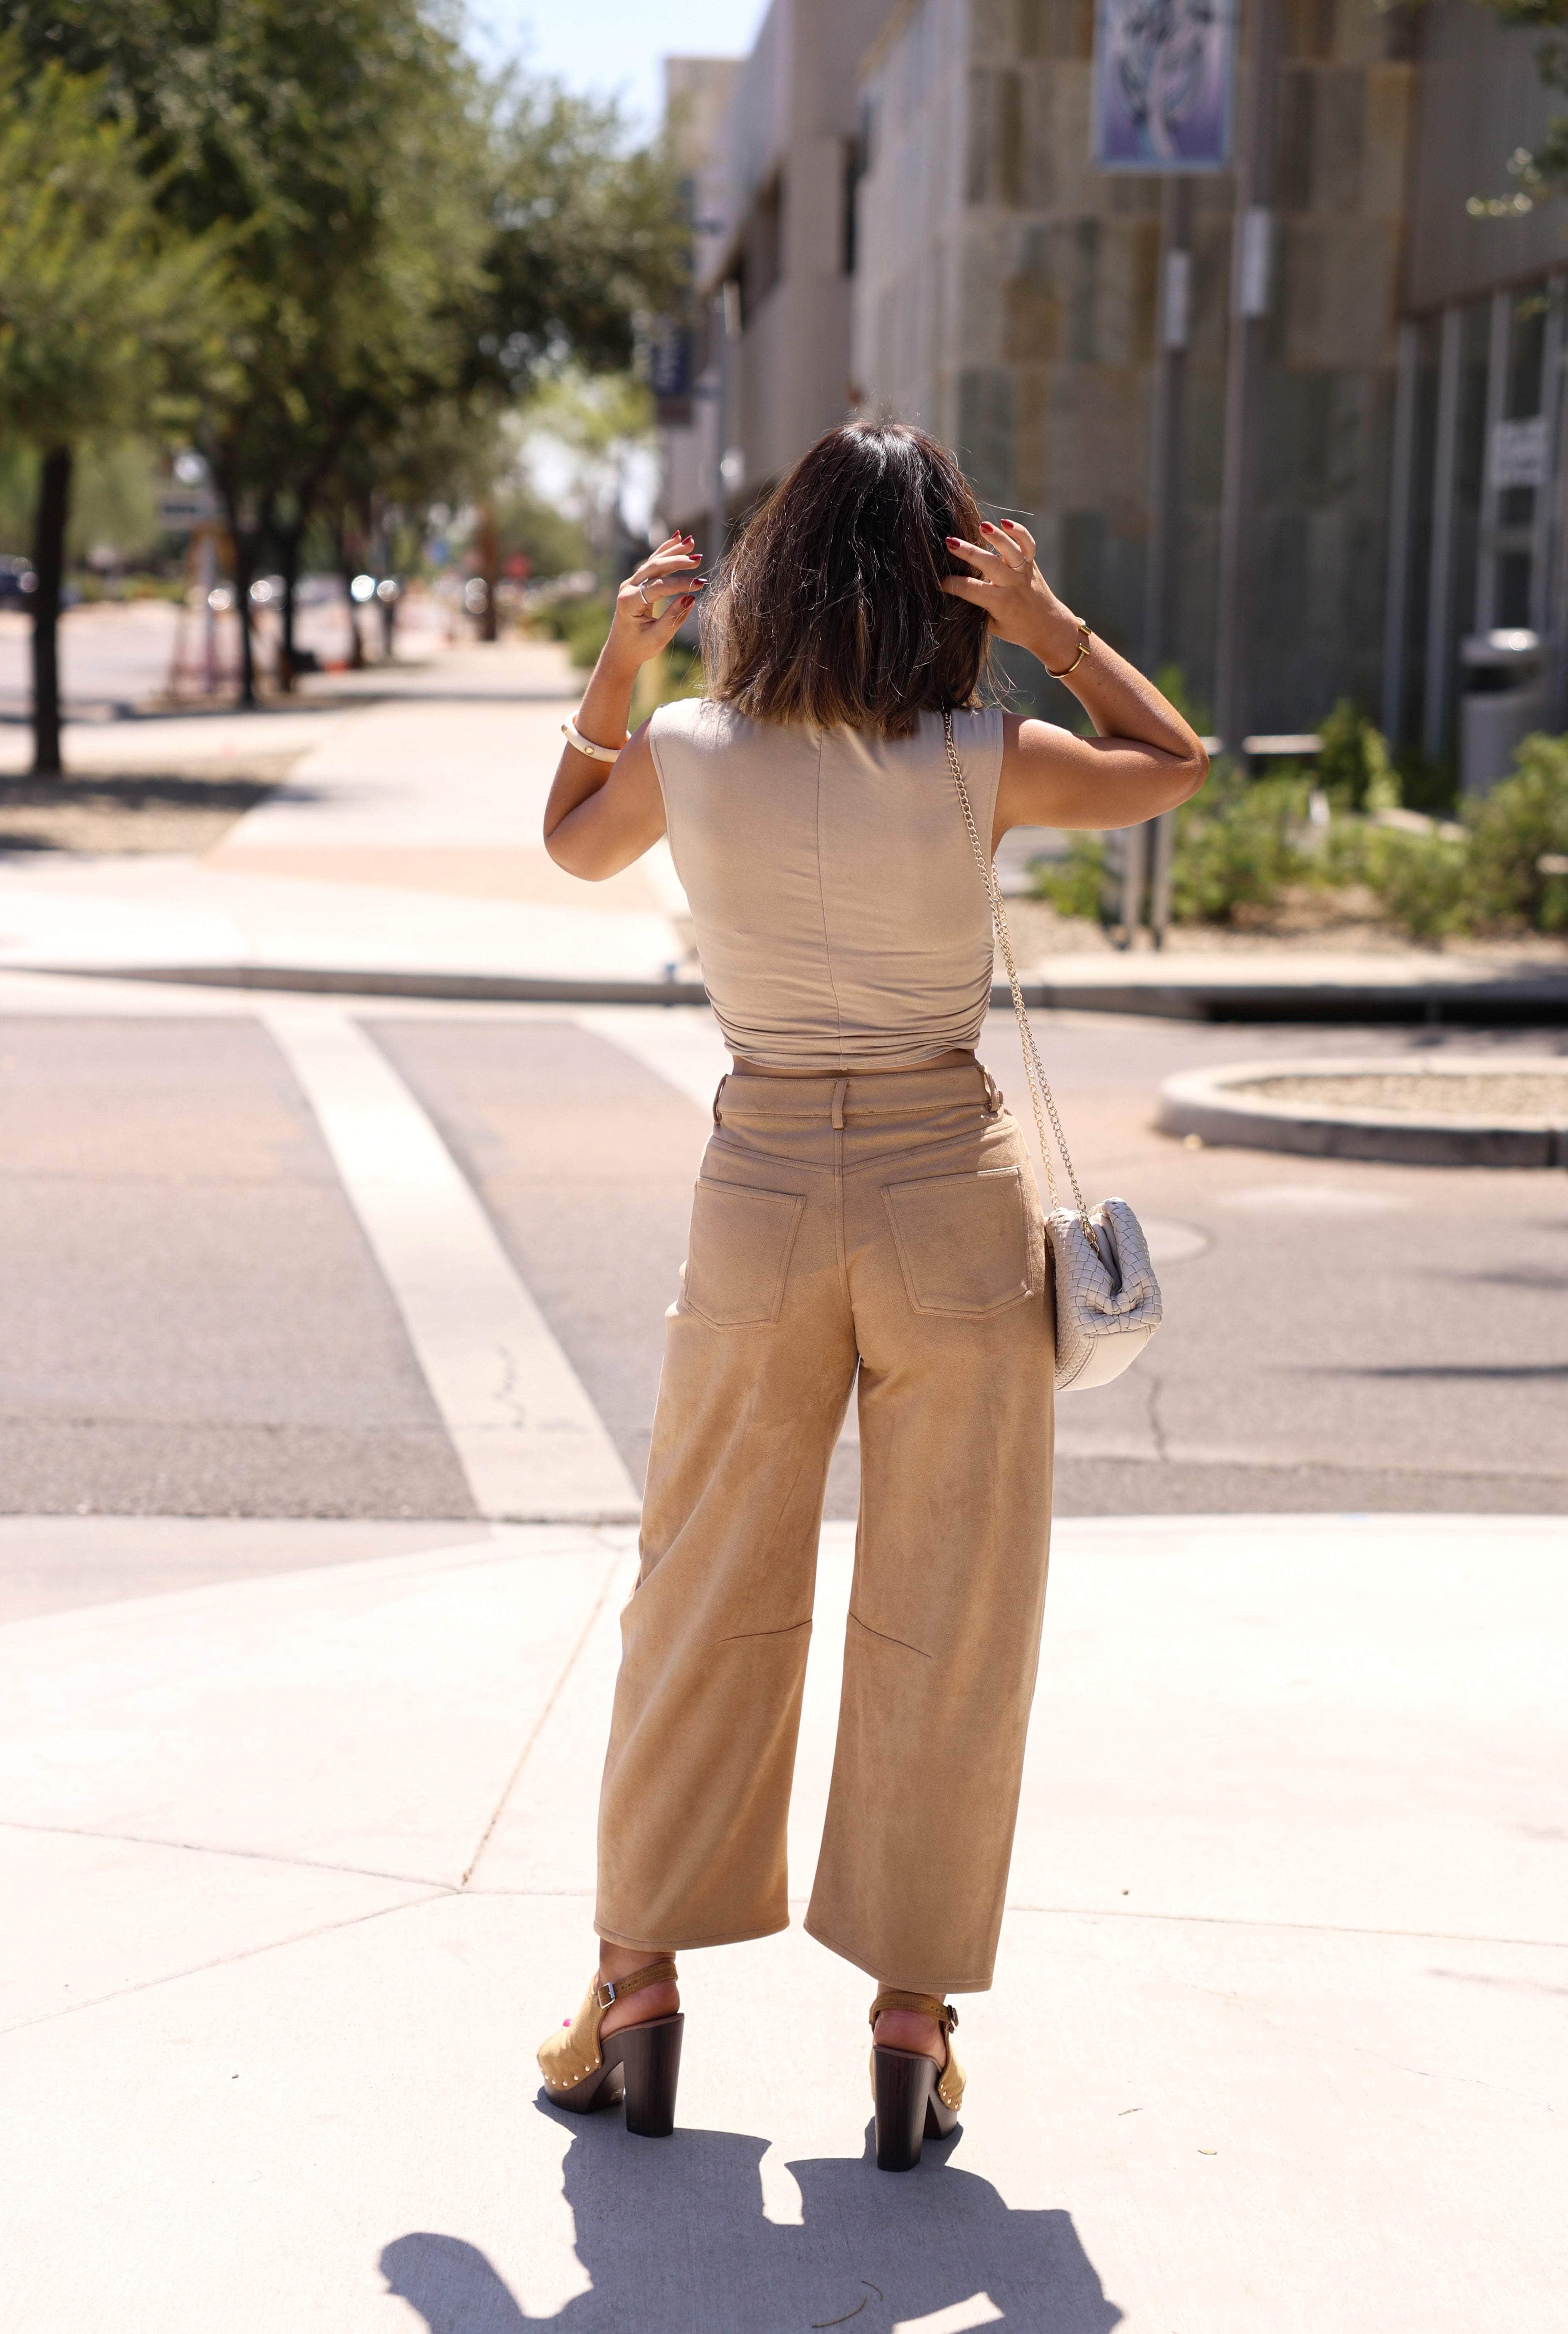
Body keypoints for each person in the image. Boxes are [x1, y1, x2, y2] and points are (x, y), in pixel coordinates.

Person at [536, 423, 1206, 2170]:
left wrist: (626, 650)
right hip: (947, 1199)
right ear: (940, 584)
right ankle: (909, 2023)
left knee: (702, 1585)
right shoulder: (983, 757)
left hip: (758, 1193)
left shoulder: (689, 750)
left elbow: (566, 843)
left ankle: (632, 1993)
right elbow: (1173, 762)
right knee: (952, 1609)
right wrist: (1048, 619)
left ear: (770, 572)